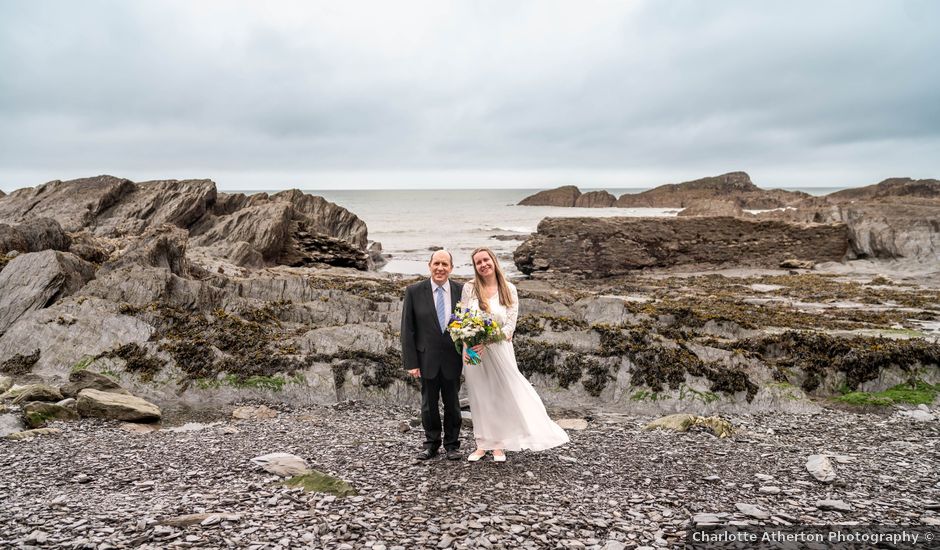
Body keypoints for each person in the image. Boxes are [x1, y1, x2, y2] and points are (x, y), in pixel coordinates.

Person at [461, 247, 569, 462]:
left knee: (501, 394)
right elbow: (464, 320)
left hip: (499, 349)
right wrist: (470, 345)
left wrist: (487, 340)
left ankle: (499, 445)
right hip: (473, 350)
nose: (483, 265)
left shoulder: (508, 289)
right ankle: (482, 443)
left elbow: (510, 328)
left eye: (485, 260)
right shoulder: (470, 288)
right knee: (479, 394)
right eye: (478, 263)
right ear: (475, 267)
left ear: (493, 260)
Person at [400, 250, 464, 461]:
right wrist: (411, 362)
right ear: (429, 266)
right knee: (428, 405)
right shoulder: (414, 291)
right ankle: (431, 444)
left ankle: (452, 445)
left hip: (453, 359)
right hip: (426, 358)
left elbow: (470, 323)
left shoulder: (461, 291)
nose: (440, 268)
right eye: (436, 263)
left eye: (445, 264)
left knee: (453, 404)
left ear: (451, 268)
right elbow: (407, 329)